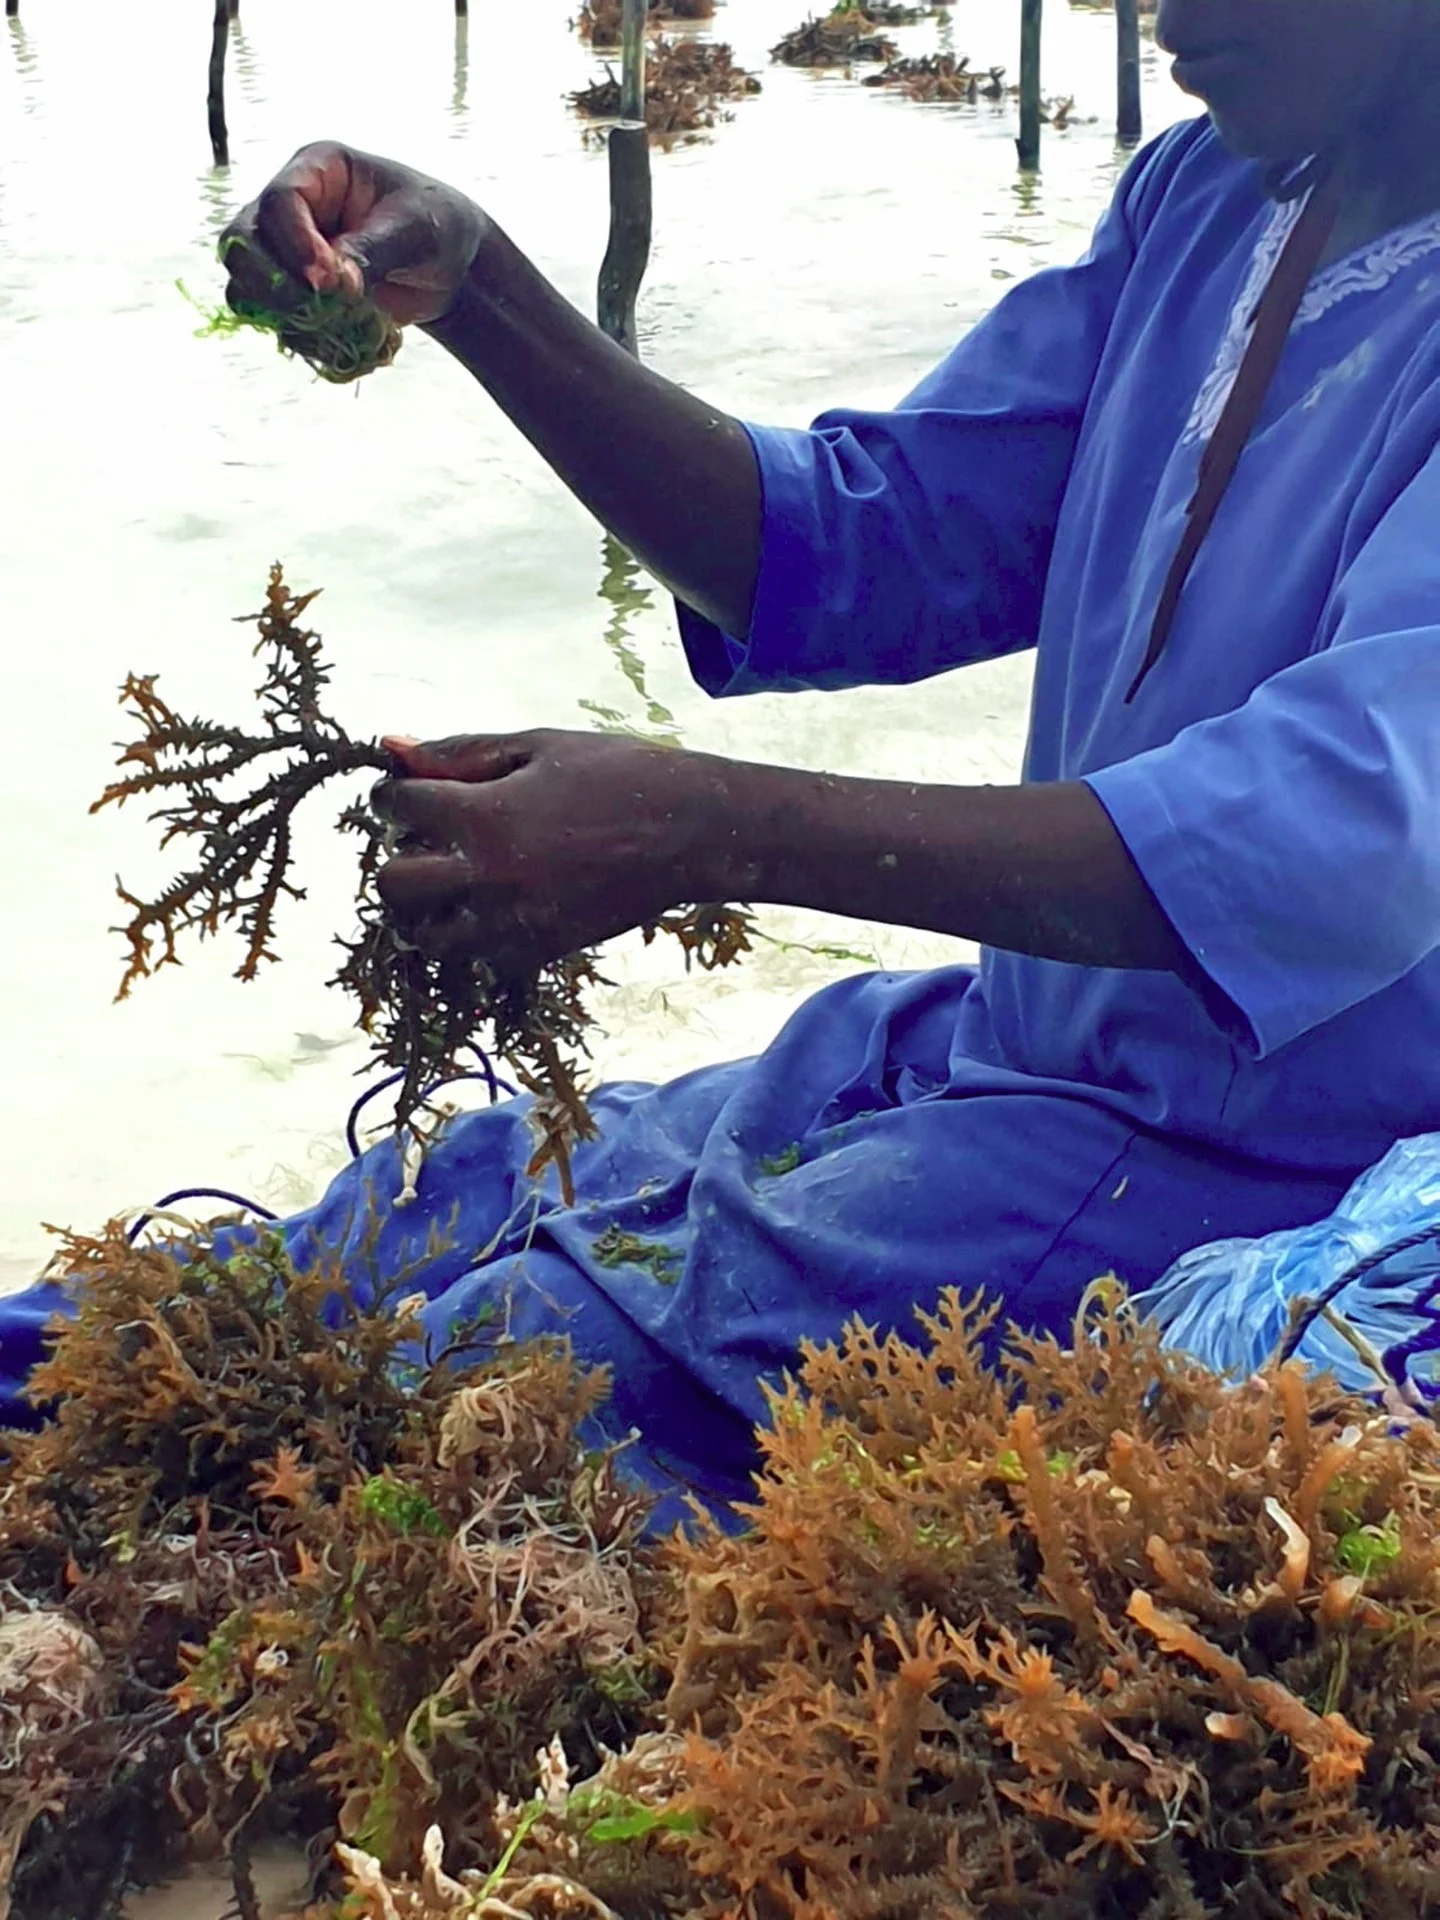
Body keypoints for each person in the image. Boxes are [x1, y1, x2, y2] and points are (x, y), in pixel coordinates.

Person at [6, 0, 1440, 1525]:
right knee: (415, 1208)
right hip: (997, 1048)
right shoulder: (1211, 195)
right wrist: (481, 289)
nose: (1170, 10)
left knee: (464, 1384)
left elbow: (1328, 836)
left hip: (1232, 1168)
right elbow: (866, 541)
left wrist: (706, 832)